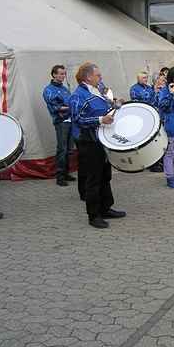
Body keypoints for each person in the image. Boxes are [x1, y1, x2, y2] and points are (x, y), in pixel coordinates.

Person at [70, 63, 126, 229]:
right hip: (89, 142)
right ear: (88, 77)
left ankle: (106, 207)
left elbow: (105, 109)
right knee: (93, 179)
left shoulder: (98, 90)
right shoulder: (78, 96)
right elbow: (77, 120)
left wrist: (115, 106)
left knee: (105, 175)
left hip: (102, 140)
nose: (100, 78)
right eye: (98, 75)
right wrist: (100, 120)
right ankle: (93, 215)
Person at [42, 64, 76, 188]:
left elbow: (69, 102)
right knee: (62, 149)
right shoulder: (49, 90)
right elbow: (55, 107)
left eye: (64, 74)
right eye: (60, 73)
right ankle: (60, 176)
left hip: (71, 121)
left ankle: (66, 173)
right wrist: (69, 107)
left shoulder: (65, 88)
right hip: (61, 122)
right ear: (54, 74)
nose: (62, 76)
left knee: (69, 149)